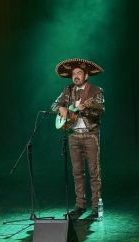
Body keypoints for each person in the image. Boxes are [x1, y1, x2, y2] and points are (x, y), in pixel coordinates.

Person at [51, 58, 105, 218]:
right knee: (77, 172)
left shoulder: (96, 91)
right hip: (73, 136)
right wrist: (61, 107)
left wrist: (83, 110)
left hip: (90, 136)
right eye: (74, 74)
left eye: (79, 73)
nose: (76, 76)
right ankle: (80, 206)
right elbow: (53, 105)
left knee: (94, 172)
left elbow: (99, 112)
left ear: (86, 75)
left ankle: (96, 207)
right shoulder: (67, 90)